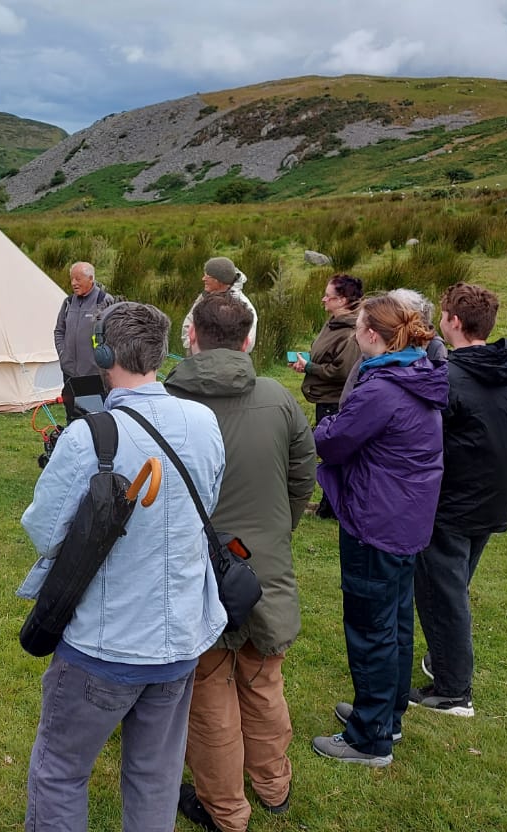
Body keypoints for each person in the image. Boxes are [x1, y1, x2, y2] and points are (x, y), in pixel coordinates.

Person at [21, 302, 225, 831]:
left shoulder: (90, 435)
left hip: (103, 645)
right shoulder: (205, 423)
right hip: (181, 638)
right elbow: (207, 503)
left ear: (104, 354)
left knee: (60, 771)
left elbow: (44, 531)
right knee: (155, 775)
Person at [164, 293, 314, 828]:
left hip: (196, 571)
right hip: (262, 568)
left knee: (209, 695)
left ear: (193, 338)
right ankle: (271, 786)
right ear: (248, 339)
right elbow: (303, 477)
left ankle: (226, 808)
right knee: (262, 680)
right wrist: (276, 532)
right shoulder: (278, 398)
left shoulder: (163, 405)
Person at [311, 293, 446, 767]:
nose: (353, 331)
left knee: (370, 626)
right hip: (403, 517)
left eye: (359, 324)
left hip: (376, 519)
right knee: (394, 620)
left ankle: (369, 738)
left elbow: (334, 440)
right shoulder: (413, 373)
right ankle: (386, 713)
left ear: (372, 334)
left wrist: (314, 431)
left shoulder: (380, 388)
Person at [411, 284, 507, 716]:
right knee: (453, 586)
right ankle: (445, 659)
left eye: (443, 314)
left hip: (454, 502)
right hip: (493, 497)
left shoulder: (450, 376)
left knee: (443, 593)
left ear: (453, 323)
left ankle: (453, 690)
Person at [292, 273, 363, 425]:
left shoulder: (351, 333)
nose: (323, 299)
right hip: (324, 400)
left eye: (327, 296)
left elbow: (342, 372)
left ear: (341, 300)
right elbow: (326, 354)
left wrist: (310, 367)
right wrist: (305, 362)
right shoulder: (333, 322)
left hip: (335, 404)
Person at [53, 262, 118, 419]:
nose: (74, 283)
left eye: (78, 279)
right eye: (72, 279)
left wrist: (101, 360)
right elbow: (59, 331)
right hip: (70, 374)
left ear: (91, 278)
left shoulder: (104, 301)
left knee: (96, 418)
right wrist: (63, 355)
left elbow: (115, 335)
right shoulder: (68, 302)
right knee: (72, 417)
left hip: (95, 375)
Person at [180, 257, 257, 356]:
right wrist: (191, 347)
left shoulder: (244, 306)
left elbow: (248, 342)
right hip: (197, 361)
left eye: (208, 276)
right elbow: (189, 323)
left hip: (229, 365)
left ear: (218, 280)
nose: (203, 279)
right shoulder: (203, 297)